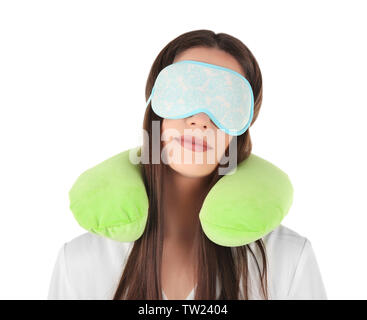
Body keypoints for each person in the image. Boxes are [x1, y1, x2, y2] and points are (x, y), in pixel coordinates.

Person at [47, 29, 327, 300]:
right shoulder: (79, 263)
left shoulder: (289, 260)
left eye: (226, 101)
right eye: (185, 92)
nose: (200, 119)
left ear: (240, 129)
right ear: (155, 108)